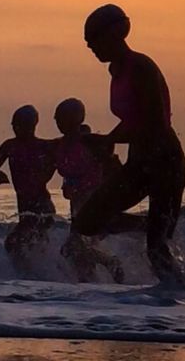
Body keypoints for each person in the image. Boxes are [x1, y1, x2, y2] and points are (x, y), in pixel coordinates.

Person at [70, 4, 185, 281]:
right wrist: (106, 140)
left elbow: (155, 123)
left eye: (93, 40)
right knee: (87, 222)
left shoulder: (141, 67)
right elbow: (133, 119)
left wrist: (110, 139)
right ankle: (153, 226)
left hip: (165, 162)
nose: (91, 48)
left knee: (156, 250)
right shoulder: (116, 70)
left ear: (113, 34)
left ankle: (181, 306)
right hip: (139, 162)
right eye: (87, 43)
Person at [49, 97, 124, 282]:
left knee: (72, 248)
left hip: (93, 200)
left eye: (61, 118)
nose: (57, 122)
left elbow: (112, 160)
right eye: (56, 118)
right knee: (78, 253)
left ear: (75, 119)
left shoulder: (91, 142)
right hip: (76, 204)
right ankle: (89, 289)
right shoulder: (58, 145)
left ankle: (110, 262)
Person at [0, 104, 56, 268]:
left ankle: (32, 276)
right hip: (24, 206)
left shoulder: (44, 146)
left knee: (15, 242)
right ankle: (39, 276)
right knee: (29, 244)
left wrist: (45, 175)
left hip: (42, 205)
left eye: (21, 124)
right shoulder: (10, 145)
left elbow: (59, 161)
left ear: (33, 125)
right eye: (14, 124)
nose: (17, 128)